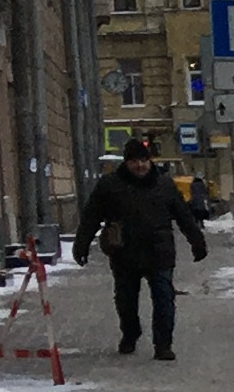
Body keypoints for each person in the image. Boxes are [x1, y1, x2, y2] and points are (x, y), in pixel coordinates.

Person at [75, 135, 209, 359]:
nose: (140, 165)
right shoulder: (110, 185)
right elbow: (91, 216)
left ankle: (163, 345)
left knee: (164, 298)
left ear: (150, 161)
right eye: (134, 161)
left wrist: (197, 243)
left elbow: (184, 216)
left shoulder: (164, 185)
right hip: (124, 253)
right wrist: (81, 245)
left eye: (144, 160)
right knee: (126, 300)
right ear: (126, 162)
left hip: (159, 252)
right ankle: (130, 334)